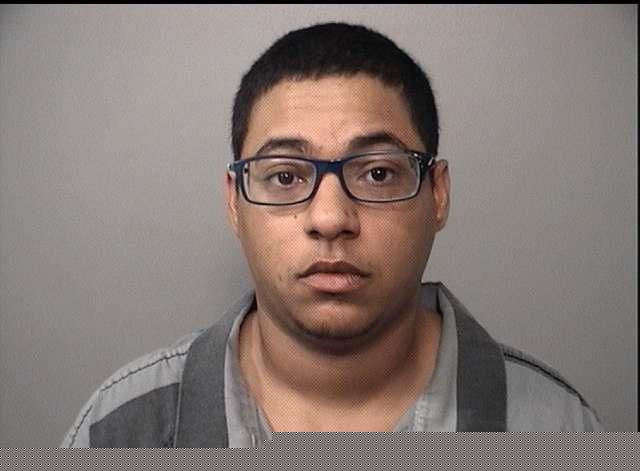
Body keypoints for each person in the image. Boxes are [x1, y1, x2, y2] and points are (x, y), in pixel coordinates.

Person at [61, 22, 602, 447]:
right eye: (286, 177)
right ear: (234, 202)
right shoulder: (119, 433)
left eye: (378, 173)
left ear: (437, 193)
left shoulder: (558, 431)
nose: (330, 218)